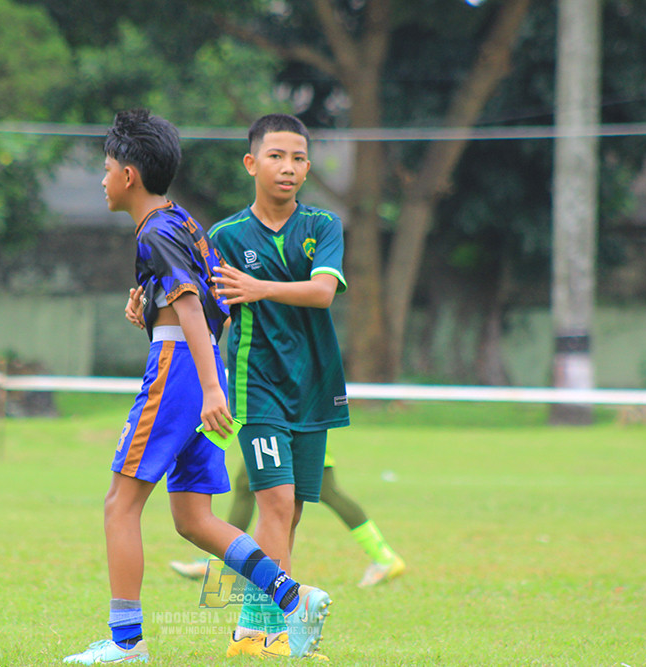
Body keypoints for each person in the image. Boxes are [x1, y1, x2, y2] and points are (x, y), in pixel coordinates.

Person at [61, 109, 331, 665]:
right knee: (193, 519)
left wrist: (205, 387)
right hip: (203, 375)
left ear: (130, 175)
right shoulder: (182, 221)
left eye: (108, 168)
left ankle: (124, 642)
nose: (104, 179)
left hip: (183, 375)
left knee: (120, 504)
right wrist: (155, 316)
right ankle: (291, 597)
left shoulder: (156, 232)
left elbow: (189, 306)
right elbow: (217, 307)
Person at [201, 113, 352, 659]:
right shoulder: (223, 237)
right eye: (275, 157)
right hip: (255, 383)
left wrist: (258, 287)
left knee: (294, 509)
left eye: (297, 159)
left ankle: (253, 626)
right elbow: (204, 312)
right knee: (277, 503)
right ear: (251, 163)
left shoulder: (323, 226)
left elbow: (322, 294)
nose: (287, 168)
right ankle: (277, 627)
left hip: (314, 385)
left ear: (307, 168)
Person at [170, 455, 406, 587]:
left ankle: (384, 557)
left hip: (296, 415)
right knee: (245, 482)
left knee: (327, 490)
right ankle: (220, 562)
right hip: (290, 412)